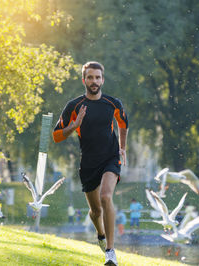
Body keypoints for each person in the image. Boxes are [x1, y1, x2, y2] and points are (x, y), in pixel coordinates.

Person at [53, 61, 128, 266]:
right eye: (90, 77)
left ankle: (110, 252)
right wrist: (74, 125)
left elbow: (123, 124)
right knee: (95, 212)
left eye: (97, 77)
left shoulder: (113, 103)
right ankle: (101, 234)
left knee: (106, 196)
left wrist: (123, 147)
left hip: (111, 158)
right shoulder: (74, 106)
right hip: (88, 163)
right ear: (84, 79)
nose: (94, 81)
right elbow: (56, 136)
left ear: (103, 79)